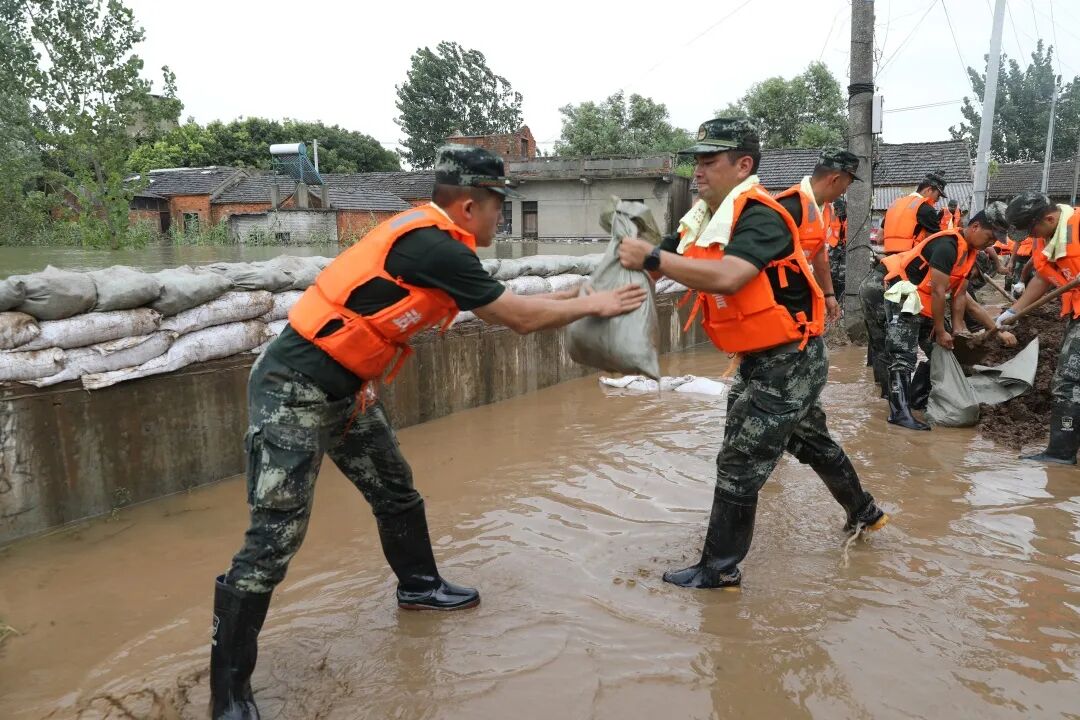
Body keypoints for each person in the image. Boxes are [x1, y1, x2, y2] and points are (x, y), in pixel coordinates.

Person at [209, 145, 647, 718]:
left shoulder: (441, 243)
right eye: (498, 208)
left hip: (350, 388)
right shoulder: (432, 246)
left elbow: (500, 301)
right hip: (295, 388)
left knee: (395, 491)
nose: (502, 218)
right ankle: (229, 695)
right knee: (274, 538)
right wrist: (605, 304)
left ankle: (419, 587)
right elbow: (514, 319)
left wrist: (573, 295)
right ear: (469, 205)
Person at [617, 118, 888, 590]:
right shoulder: (701, 219)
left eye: (709, 161)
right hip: (761, 357)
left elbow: (728, 278)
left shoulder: (760, 215)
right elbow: (656, 267)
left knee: (739, 460)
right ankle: (865, 513)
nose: (697, 172)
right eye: (696, 162)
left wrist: (651, 259)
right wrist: (591, 297)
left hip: (790, 359)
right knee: (809, 442)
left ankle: (719, 569)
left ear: (743, 165)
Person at [872, 202, 1017, 431]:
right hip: (903, 296)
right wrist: (940, 331)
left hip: (925, 303)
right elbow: (939, 291)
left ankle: (916, 399)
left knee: (944, 350)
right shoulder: (947, 245)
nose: (992, 243)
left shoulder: (970, 253)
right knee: (903, 355)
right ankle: (898, 414)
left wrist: (960, 330)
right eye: (990, 236)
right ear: (975, 226)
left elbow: (961, 297)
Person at [1000, 192, 1080, 464]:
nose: (1029, 235)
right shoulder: (1045, 237)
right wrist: (1014, 310)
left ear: (1048, 218)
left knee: (1068, 382)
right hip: (1075, 312)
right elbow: (1042, 279)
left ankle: (1061, 454)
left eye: (1030, 229)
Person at [774, 149, 861, 323]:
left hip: (799, 296)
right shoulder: (788, 207)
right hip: (778, 301)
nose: (844, 192)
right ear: (835, 179)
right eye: (847, 185)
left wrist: (829, 293)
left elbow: (819, 252)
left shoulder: (825, 209)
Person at [881, 172, 948, 255]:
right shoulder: (926, 209)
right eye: (938, 195)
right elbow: (936, 242)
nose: (938, 200)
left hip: (888, 257)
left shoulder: (894, 205)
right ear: (929, 190)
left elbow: (879, 238)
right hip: (909, 260)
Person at [827, 197, 848, 302]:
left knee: (843, 275)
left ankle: (841, 300)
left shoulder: (850, 217)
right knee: (832, 273)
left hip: (846, 247)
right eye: (835, 209)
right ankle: (833, 298)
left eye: (838, 209)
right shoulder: (831, 214)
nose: (836, 212)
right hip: (833, 246)